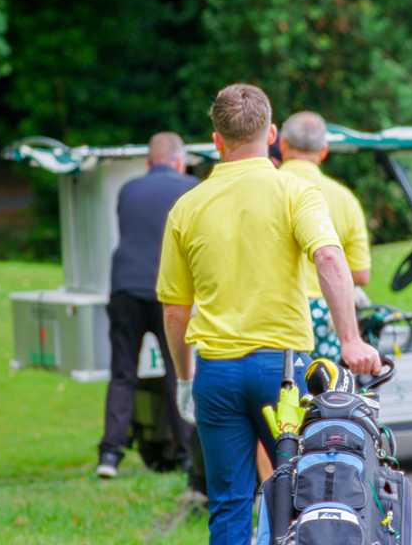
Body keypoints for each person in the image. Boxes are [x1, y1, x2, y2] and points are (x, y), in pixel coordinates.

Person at [156, 84, 380, 544]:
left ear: (216, 140)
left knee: (228, 506)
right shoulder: (295, 192)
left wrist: (183, 378)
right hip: (283, 373)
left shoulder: (186, 208)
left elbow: (176, 312)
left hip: (216, 374)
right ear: (272, 134)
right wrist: (351, 340)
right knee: (301, 495)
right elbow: (333, 260)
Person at [96, 132, 198, 478]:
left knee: (122, 373)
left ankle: (109, 456)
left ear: (148, 162)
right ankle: (186, 455)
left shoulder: (128, 189)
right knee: (177, 370)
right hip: (167, 291)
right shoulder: (190, 187)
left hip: (125, 287)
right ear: (180, 161)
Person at [278, 111, 372, 362]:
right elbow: (361, 274)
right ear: (324, 150)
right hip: (325, 313)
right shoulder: (345, 199)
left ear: (282, 144)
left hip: (277, 314)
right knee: (324, 390)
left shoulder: (264, 189)